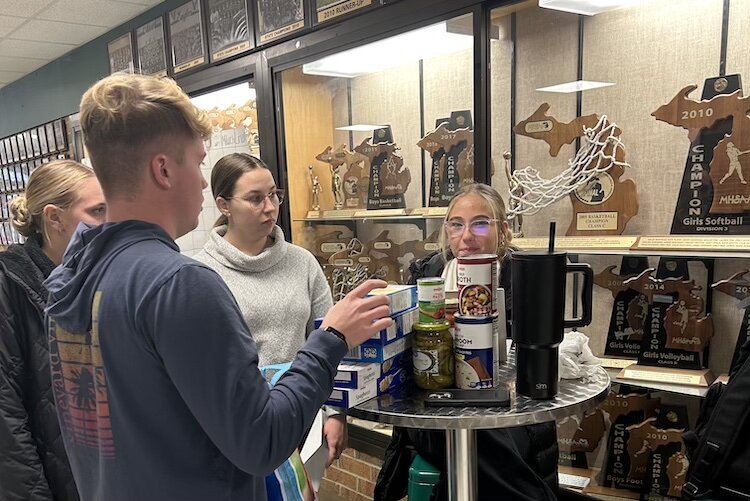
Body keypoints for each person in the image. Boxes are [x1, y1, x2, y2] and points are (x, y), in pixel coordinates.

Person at [44, 73, 393, 501]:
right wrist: (331, 339)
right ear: (164, 169)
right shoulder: (179, 284)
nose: (205, 183)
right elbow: (262, 442)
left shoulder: (69, 281)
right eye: (198, 161)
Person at [375, 183, 558, 501]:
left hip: (508, 411)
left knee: (486, 434)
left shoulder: (525, 275)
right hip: (435, 406)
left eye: (480, 223)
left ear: (502, 230)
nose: (466, 236)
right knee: (472, 436)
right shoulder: (427, 274)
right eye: (456, 224)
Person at [193, 153, 347, 474]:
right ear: (224, 205)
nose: (270, 207)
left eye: (274, 195)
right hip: (240, 433)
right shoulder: (201, 274)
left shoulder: (302, 262)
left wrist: (334, 413)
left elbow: (329, 340)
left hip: (304, 417)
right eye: (255, 199)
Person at [0, 160, 106, 501]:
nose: (110, 223)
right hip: (53, 481)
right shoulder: (10, 286)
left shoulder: (98, 278)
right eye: (97, 211)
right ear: (54, 218)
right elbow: (6, 416)